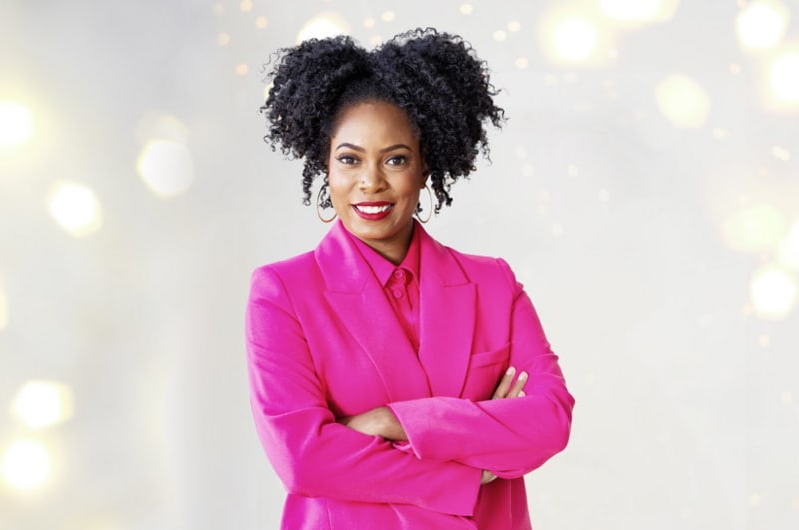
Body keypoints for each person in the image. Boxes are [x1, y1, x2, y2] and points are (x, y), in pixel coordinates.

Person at [246, 28, 574, 530]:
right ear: (325, 167)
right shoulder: (283, 293)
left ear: (425, 167)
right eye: (350, 159)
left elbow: (549, 420)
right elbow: (304, 459)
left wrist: (395, 421)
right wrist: (472, 463)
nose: (371, 181)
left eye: (395, 159)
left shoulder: (493, 284)